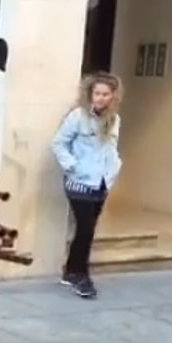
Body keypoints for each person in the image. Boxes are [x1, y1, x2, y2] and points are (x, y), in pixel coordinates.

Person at [51, 72, 122, 299]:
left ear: (113, 96)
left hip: (100, 183)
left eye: (106, 94)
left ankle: (70, 271)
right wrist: (73, 166)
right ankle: (81, 276)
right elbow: (59, 143)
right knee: (86, 229)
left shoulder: (114, 119)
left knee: (86, 230)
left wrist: (113, 170)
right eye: (97, 93)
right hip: (79, 182)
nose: (101, 98)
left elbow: (110, 149)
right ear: (90, 94)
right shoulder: (78, 117)